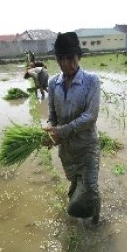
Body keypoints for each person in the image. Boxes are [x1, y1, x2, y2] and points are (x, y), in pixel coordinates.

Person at [43, 32, 101, 225]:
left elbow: (90, 117)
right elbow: (52, 116)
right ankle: (76, 226)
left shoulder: (91, 80)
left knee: (91, 188)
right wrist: (51, 133)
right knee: (76, 186)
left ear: (79, 57)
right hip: (67, 152)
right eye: (61, 58)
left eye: (70, 58)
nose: (65, 63)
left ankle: (95, 222)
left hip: (87, 148)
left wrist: (62, 131)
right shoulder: (53, 83)